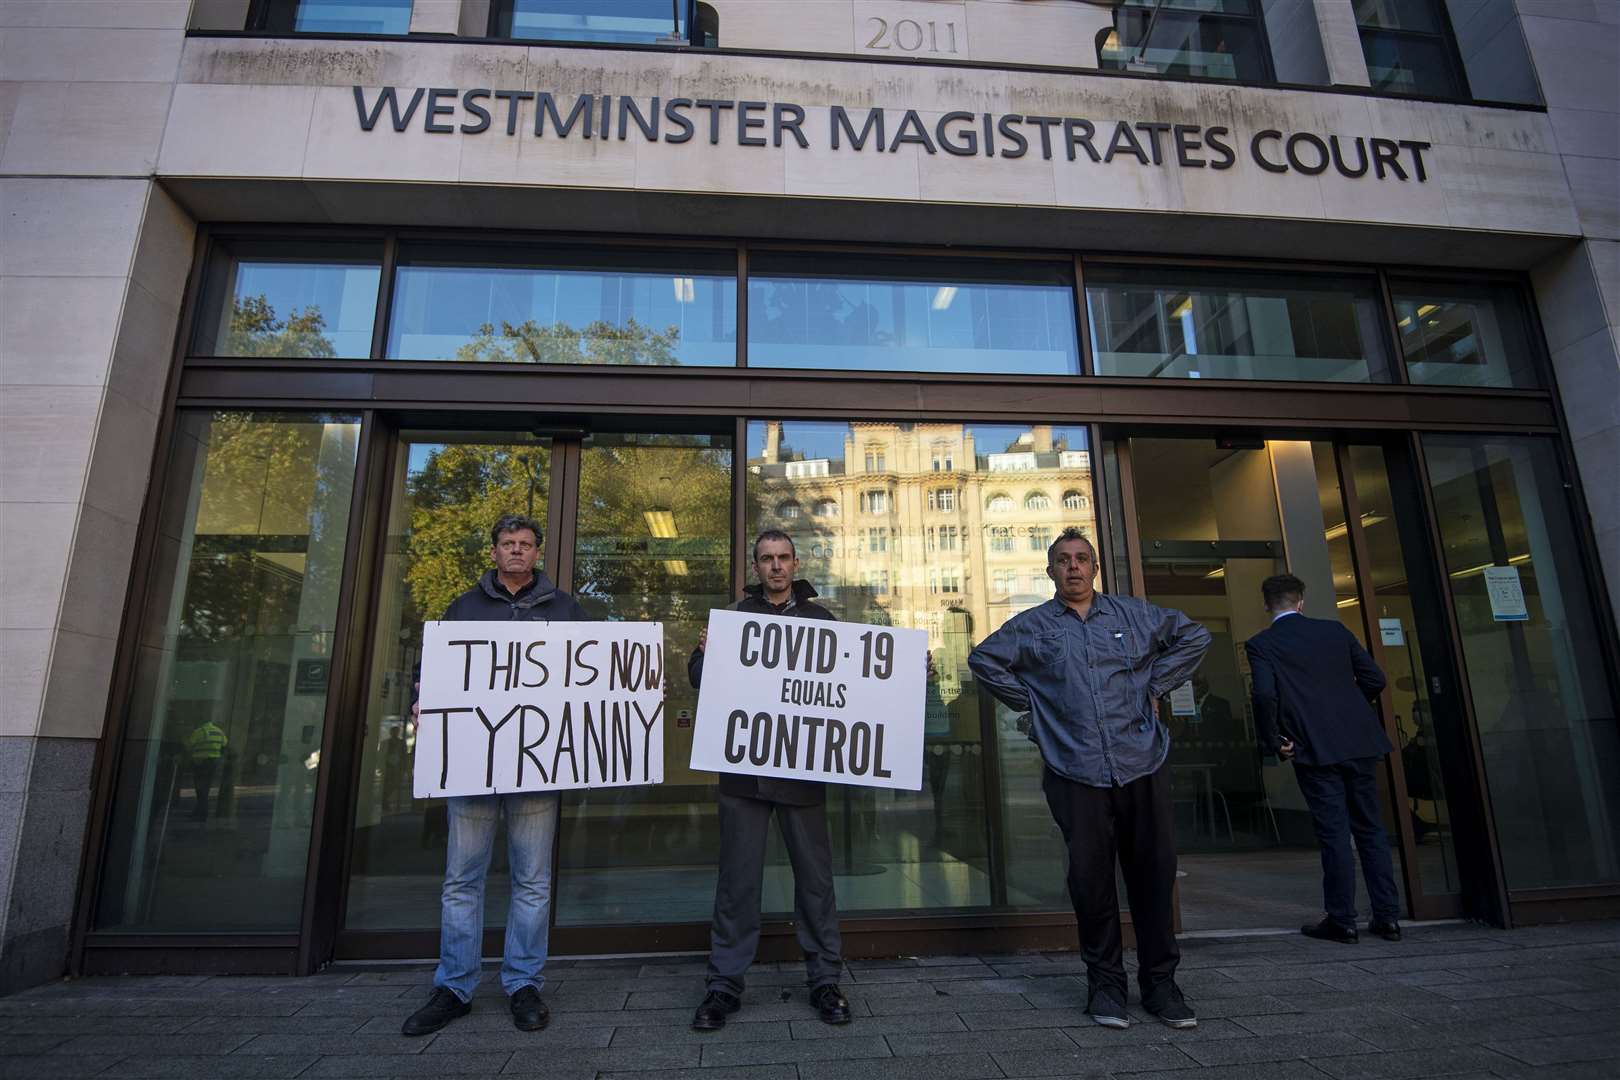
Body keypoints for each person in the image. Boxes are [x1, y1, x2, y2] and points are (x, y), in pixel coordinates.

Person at [969, 527, 1210, 1031]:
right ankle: (1105, 987)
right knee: (1090, 882)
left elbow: (1194, 636)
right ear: (1050, 571)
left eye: (1082, 559)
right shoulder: (1032, 627)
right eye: (1063, 560)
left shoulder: (1134, 615)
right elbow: (983, 659)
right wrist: (1033, 705)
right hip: (1073, 768)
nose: (1073, 567)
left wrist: (1155, 683)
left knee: (1152, 875)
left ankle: (1161, 985)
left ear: (1095, 568)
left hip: (1141, 760)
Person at [402, 513, 588, 1037]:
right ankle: (454, 986)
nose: (516, 551)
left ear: (537, 554)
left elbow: (593, 673)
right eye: (507, 543)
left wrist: (631, 692)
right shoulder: (462, 607)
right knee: (462, 879)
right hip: (470, 768)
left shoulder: (566, 608)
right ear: (493, 553)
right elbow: (432, 670)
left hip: (535, 770)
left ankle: (522, 983)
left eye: (525, 544)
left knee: (532, 881)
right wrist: (422, 700)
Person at [687, 529, 851, 1032]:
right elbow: (697, 679)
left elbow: (857, 683)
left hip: (803, 774)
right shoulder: (734, 620)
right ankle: (724, 985)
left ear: (795, 562)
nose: (776, 566)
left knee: (816, 883)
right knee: (737, 884)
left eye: (783, 558)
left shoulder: (823, 621)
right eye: (766, 559)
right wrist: (706, 654)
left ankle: (825, 980)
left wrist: (912, 673)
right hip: (745, 774)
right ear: (754, 567)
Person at [1244, 573, 1401, 945]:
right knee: (1371, 829)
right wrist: (1348, 709)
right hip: (1360, 742)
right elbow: (1375, 679)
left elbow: (1265, 696)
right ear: (1301, 601)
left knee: (1334, 834)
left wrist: (1274, 739)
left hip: (1313, 747)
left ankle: (1343, 920)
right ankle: (1388, 917)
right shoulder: (1335, 631)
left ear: (1267, 605)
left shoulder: (1262, 644)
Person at [185, 719, 227, 822]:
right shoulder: (219, 731)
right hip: (213, 763)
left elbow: (189, 745)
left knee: (200, 788)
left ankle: (202, 813)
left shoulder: (200, 731)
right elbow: (225, 744)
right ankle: (199, 811)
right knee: (206, 787)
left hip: (200, 763)